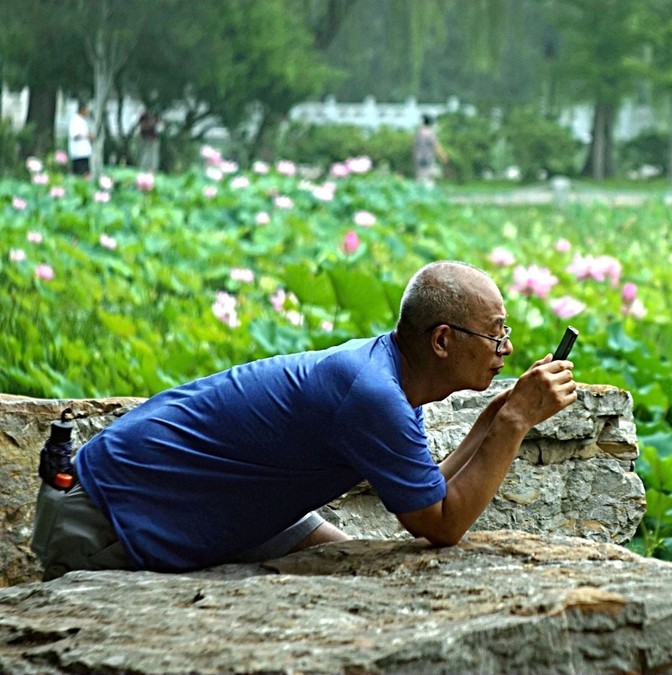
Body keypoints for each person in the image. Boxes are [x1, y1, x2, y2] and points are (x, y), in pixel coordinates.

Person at [30, 261, 577, 579]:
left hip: (222, 500)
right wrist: (514, 425)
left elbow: (426, 494)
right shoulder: (373, 395)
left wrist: (497, 416)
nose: (505, 348)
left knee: (359, 567)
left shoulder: (384, 375)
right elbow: (441, 524)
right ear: (441, 340)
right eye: (496, 332)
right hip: (116, 513)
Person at [412, 114, 448, 186]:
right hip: (428, 157)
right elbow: (436, 146)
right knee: (427, 176)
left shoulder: (419, 133)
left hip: (418, 157)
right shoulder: (430, 133)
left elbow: (414, 146)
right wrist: (443, 156)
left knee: (420, 175)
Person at [68, 103, 94, 178]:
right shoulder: (75, 120)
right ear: (82, 110)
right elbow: (74, 135)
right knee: (82, 173)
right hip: (79, 152)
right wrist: (86, 136)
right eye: (86, 110)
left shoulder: (82, 120)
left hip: (84, 152)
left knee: (84, 172)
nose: (87, 112)